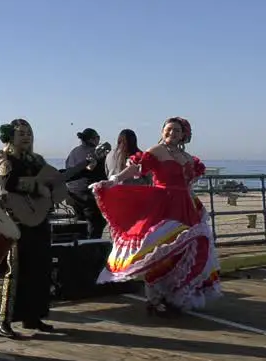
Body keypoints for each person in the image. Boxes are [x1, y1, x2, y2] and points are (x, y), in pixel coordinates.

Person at [92, 116, 223, 317]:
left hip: (185, 206)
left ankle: (173, 296)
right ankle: (154, 299)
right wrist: (116, 179)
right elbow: (137, 168)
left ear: (184, 135)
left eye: (177, 131)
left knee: (191, 249)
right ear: (162, 131)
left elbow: (188, 185)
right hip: (163, 205)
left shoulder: (188, 159)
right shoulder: (157, 151)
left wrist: (195, 204)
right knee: (160, 251)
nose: (172, 133)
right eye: (168, 129)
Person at [0, 119, 58, 338]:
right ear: (11, 137)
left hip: (38, 219)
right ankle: (4, 320)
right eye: (21, 133)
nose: (26, 136)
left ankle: (33, 316)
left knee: (39, 269)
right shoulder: (5, 158)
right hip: (16, 221)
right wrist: (38, 187)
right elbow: (7, 183)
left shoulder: (37, 160)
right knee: (16, 270)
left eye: (29, 132)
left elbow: (52, 181)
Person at [63, 128, 109, 239]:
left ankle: (80, 245)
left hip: (72, 195)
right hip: (89, 196)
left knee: (80, 224)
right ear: (93, 139)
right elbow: (104, 173)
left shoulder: (73, 152)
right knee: (95, 224)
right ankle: (91, 248)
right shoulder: (96, 153)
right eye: (98, 137)